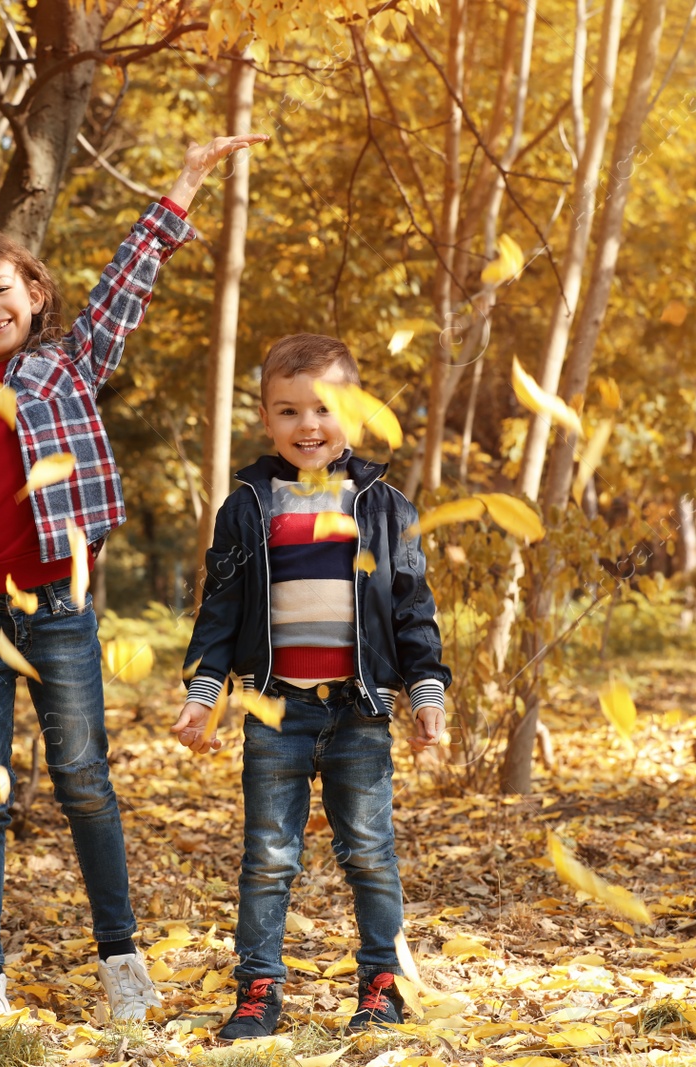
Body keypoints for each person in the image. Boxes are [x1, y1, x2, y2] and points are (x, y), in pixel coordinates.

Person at [0, 133, 267, 1022]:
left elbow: (126, 283)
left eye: (2, 289)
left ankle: (121, 959)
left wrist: (183, 180)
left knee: (84, 782)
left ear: (32, 294)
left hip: (60, 610)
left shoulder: (66, 364)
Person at [171, 334, 451, 1038]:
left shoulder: (385, 506)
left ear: (352, 412)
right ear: (267, 419)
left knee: (370, 853)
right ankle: (259, 988)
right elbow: (221, 607)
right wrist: (204, 692)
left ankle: (381, 985)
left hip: (358, 712)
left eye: (323, 408)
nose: (308, 426)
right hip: (276, 709)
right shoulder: (249, 506)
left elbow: (413, 607)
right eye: (289, 411)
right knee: (268, 856)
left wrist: (426, 693)